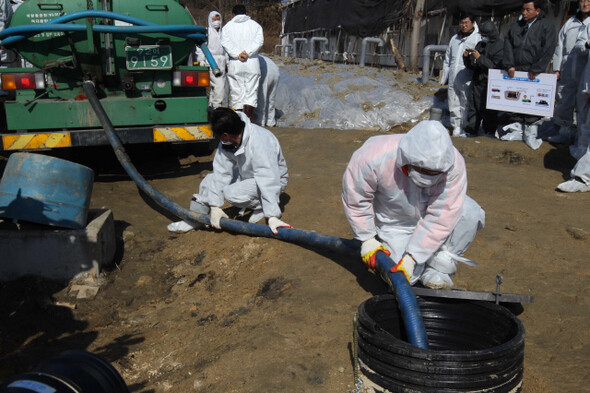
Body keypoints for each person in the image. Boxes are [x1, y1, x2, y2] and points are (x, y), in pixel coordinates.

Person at [342, 120, 485, 289]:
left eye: (434, 173)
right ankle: (411, 254)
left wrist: (412, 257)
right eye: (423, 171)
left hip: (435, 219)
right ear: (405, 160)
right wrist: (367, 238)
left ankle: (440, 266)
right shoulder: (373, 156)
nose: (427, 177)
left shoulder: (454, 163)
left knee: (470, 212)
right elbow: (356, 199)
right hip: (396, 224)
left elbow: (443, 213)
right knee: (401, 278)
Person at [167, 107, 290, 234]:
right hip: (248, 175)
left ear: (225, 135)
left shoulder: (260, 141)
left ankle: (262, 206)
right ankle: (195, 218)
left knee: (231, 193)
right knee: (209, 180)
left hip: (274, 180)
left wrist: (272, 216)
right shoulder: (228, 141)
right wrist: (215, 206)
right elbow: (221, 172)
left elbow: (267, 178)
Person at [501, 0, 557, 149]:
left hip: (534, 72)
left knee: (532, 102)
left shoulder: (546, 26)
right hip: (517, 70)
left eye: (528, 10)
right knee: (515, 99)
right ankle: (515, 129)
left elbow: (548, 48)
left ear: (537, 11)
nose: (524, 13)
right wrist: (509, 65)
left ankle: (530, 133)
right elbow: (508, 45)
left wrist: (537, 68)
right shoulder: (516, 26)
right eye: (523, 9)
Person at [550, 0, 590, 144]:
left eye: (588, 1)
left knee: (582, 105)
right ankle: (563, 133)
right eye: (583, 1)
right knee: (563, 100)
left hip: (584, 70)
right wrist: (557, 68)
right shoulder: (570, 22)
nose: (585, 4)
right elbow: (560, 46)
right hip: (567, 67)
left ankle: (580, 137)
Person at [441, 14, 481, 137]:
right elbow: (447, 59)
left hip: (467, 77)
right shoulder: (455, 39)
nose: (463, 26)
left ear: (473, 23)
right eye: (462, 23)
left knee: (465, 102)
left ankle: (464, 126)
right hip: (453, 76)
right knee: (453, 101)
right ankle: (456, 127)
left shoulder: (477, 39)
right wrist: (444, 76)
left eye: (466, 23)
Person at [221, 5, 264, 120]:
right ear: (246, 12)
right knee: (251, 92)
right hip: (252, 62)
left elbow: (225, 42)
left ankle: (239, 121)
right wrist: (247, 53)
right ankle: (248, 119)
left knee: (236, 92)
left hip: (235, 63)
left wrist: (237, 54)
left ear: (233, 14)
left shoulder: (227, 27)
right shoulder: (255, 26)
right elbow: (259, 41)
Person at [463, 20, 503, 136]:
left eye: (485, 35)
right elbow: (472, 66)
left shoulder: (500, 46)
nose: (483, 37)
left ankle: (488, 133)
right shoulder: (480, 45)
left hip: (490, 84)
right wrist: (467, 58)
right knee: (473, 109)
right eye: (481, 34)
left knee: (488, 111)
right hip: (477, 82)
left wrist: (480, 58)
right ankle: (470, 131)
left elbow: (495, 67)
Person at [195, 11, 228, 109]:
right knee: (219, 87)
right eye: (214, 19)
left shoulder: (223, 33)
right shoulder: (206, 32)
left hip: (222, 62)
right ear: (210, 20)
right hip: (211, 62)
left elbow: (226, 49)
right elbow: (199, 46)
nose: (216, 21)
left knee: (216, 89)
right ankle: (217, 108)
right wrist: (201, 59)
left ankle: (211, 108)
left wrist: (227, 62)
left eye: (218, 19)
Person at [253, 54, 279, 127]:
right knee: (271, 99)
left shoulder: (253, 58)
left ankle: (260, 121)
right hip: (275, 71)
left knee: (261, 99)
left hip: (265, 72)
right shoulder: (262, 57)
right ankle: (271, 121)